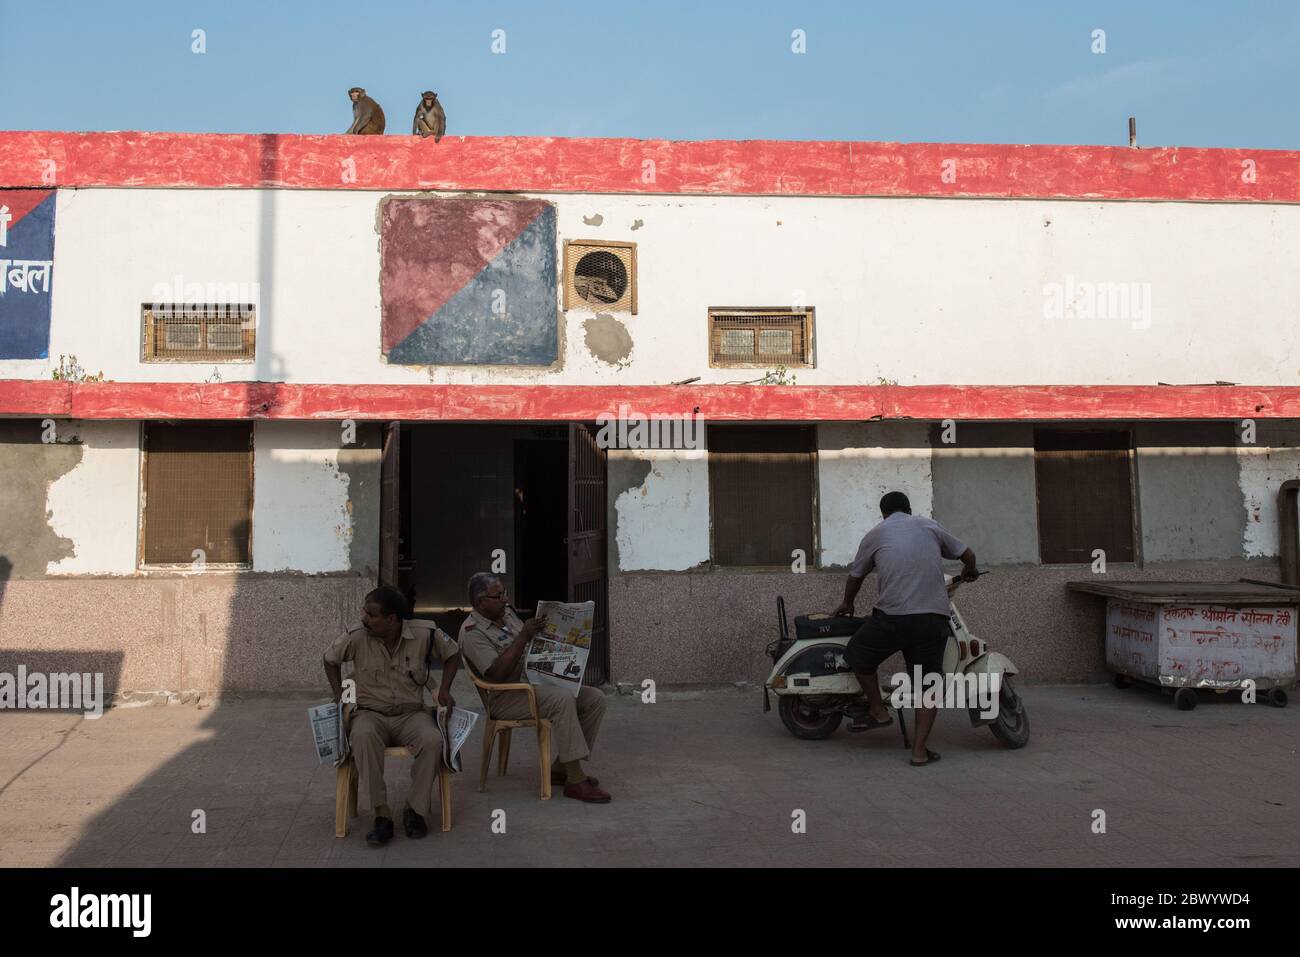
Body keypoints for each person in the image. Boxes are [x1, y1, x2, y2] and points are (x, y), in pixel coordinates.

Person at [832, 491, 978, 766]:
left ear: (884, 513)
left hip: (893, 618)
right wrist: (970, 569)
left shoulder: (876, 533)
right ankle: (919, 753)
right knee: (929, 686)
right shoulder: (928, 525)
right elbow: (967, 553)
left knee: (857, 655)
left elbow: (856, 575)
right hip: (933, 619)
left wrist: (847, 603)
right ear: (909, 510)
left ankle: (878, 711)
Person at [323, 585, 462, 845]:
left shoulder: (425, 633)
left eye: (372, 615)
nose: (365, 618)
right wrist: (339, 694)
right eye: (365, 612)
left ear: (392, 619)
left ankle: (415, 810)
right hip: (370, 713)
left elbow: (453, 654)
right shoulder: (356, 636)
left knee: (432, 741)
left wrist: (444, 689)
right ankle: (381, 814)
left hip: (411, 714)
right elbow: (330, 659)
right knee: (362, 737)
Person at [457, 572, 611, 803]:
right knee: (561, 699)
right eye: (498, 596)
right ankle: (576, 780)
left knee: (594, 698)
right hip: (507, 696)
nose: (505, 600)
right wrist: (523, 637)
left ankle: (561, 768)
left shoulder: (506, 614)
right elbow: (497, 675)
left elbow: (531, 645)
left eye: (504, 593)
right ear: (480, 602)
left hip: (534, 681)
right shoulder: (471, 632)